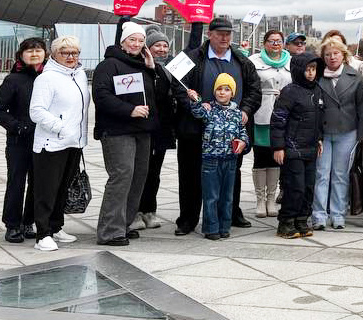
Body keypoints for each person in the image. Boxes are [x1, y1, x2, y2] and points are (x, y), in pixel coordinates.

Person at [174, 17, 261, 236]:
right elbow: (178, 87)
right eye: (219, 33)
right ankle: (188, 219)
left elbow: (254, 90)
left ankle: (231, 214)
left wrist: (246, 110)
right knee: (190, 176)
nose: (224, 37)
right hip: (195, 131)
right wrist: (193, 104)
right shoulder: (191, 57)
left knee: (231, 175)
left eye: (228, 34)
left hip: (230, 132)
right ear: (209, 34)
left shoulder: (242, 60)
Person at [92, 22, 161, 246]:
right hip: (117, 130)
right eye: (132, 40)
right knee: (121, 176)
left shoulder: (143, 65)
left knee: (138, 177)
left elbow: (156, 94)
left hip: (142, 130)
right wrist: (129, 110)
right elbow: (101, 95)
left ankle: (125, 223)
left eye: (141, 41)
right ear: (122, 42)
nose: (136, 44)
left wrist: (151, 69)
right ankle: (110, 231)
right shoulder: (109, 65)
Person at [28, 35, 90, 251]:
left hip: (74, 142)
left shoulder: (79, 75)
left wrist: (78, 134)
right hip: (51, 143)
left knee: (63, 188)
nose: (71, 57)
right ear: (54, 55)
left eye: (75, 53)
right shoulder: (47, 78)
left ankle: (56, 226)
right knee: (46, 190)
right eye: (65, 53)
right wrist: (61, 127)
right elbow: (36, 111)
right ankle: (42, 234)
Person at [0, 37, 46, 243]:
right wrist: (17, 127)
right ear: (21, 55)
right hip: (19, 141)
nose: (34, 54)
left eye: (38, 50)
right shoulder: (13, 80)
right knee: (16, 182)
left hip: (44, 140)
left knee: (38, 183)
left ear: (45, 54)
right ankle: (12, 224)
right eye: (29, 51)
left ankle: (28, 221)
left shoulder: (49, 77)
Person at [313, 38, 363, 230]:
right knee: (321, 174)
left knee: (340, 175)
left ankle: (338, 214)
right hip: (322, 133)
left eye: (336, 53)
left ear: (343, 55)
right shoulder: (317, 76)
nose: (332, 57)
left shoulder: (355, 76)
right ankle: (319, 215)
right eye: (328, 54)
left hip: (347, 131)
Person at [186, 73, 249, 240]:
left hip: (230, 160)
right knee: (211, 196)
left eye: (226, 89)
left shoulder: (237, 113)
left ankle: (224, 226)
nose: (222, 92)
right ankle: (211, 228)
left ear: (232, 93)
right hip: (210, 160)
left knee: (227, 196)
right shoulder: (209, 110)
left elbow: (243, 132)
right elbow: (197, 112)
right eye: (219, 89)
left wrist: (243, 142)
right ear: (214, 92)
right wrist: (195, 99)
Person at [271, 53, 324, 239]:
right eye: (307, 69)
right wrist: (278, 147)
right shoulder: (290, 91)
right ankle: (286, 222)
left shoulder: (317, 90)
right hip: (292, 148)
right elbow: (278, 120)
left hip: (310, 147)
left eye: (313, 69)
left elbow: (320, 118)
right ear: (299, 70)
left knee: (309, 187)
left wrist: (319, 138)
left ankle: (301, 219)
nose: (310, 73)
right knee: (295, 186)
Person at [131, 27, 178, 232]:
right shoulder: (138, 67)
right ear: (147, 48)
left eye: (165, 46)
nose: (162, 49)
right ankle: (133, 211)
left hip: (161, 129)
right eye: (157, 45)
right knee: (138, 172)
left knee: (154, 173)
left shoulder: (168, 69)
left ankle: (149, 210)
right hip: (142, 127)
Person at [249, 30, 289, 219]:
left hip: (284, 114)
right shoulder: (254, 61)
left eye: (279, 41)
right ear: (264, 43)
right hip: (262, 112)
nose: (275, 44)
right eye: (271, 41)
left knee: (277, 157)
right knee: (261, 157)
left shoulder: (290, 61)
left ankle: (271, 199)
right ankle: (260, 200)